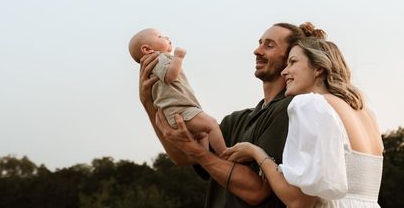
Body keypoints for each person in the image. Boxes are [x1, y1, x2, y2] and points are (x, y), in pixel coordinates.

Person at [139, 22, 320, 207]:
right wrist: (149, 102)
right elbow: (182, 156)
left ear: (291, 58)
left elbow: (257, 191)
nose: (257, 50)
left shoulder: (290, 110)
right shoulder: (236, 120)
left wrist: (197, 151)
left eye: (269, 45)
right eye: (260, 43)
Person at [221, 37, 384, 208]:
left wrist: (257, 153)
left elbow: (299, 201)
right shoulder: (366, 114)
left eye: (292, 62)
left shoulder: (312, 105)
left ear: (318, 68)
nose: (284, 72)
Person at [130, 28, 227, 155]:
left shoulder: (158, 62)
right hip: (180, 110)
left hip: (178, 111)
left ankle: (206, 160)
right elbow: (170, 76)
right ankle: (225, 153)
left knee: (202, 135)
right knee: (212, 124)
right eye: (160, 37)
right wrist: (179, 57)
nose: (167, 38)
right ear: (147, 49)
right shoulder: (158, 58)